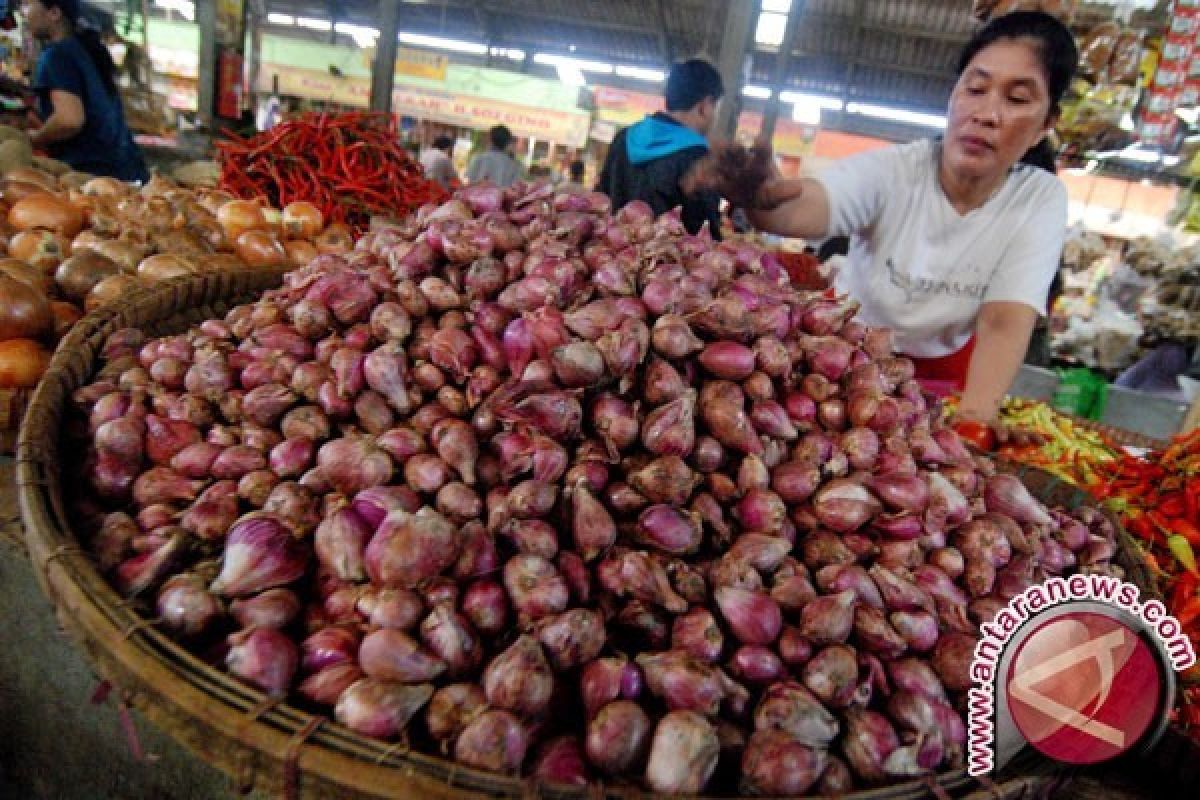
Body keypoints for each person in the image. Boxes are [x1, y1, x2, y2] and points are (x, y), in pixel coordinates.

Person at [711, 11, 1078, 432]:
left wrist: (973, 425)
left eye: (1016, 99)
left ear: (1045, 125)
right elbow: (809, 205)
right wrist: (761, 199)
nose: (987, 113)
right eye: (975, 89)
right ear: (953, 94)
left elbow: (1005, 319)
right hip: (837, 369)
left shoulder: (1039, 198)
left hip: (942, 385)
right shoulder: (896, 171)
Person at [597, 58, 724, 239]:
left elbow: (600, 202)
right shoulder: (698, 158)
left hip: (610, 260)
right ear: (705, 106)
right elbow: (705, 234)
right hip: (667, 263)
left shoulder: (624, 138)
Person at [22, 0, 148, 182]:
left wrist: (36, 138)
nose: (26, 14)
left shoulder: (57, 56)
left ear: (54, 13)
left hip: (92, 176)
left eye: (29, 5)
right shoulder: (86, 49)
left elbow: (69, 120)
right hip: (126, 170)